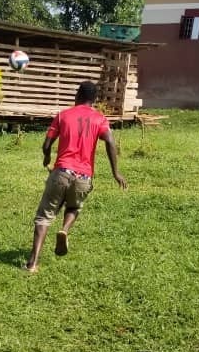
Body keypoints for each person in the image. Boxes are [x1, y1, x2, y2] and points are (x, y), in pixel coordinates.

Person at [24, 81, 127, 273]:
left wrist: (47, 156)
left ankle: (32, 263)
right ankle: (64, 229)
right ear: (94, 99)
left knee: (44, 217)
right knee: (74, 206)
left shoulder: (64, 115)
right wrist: (116, 172)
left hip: (61, 172)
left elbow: (47, 145)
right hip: (83, 177)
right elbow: (111, 142)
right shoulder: (99, 119)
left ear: (78, 95)